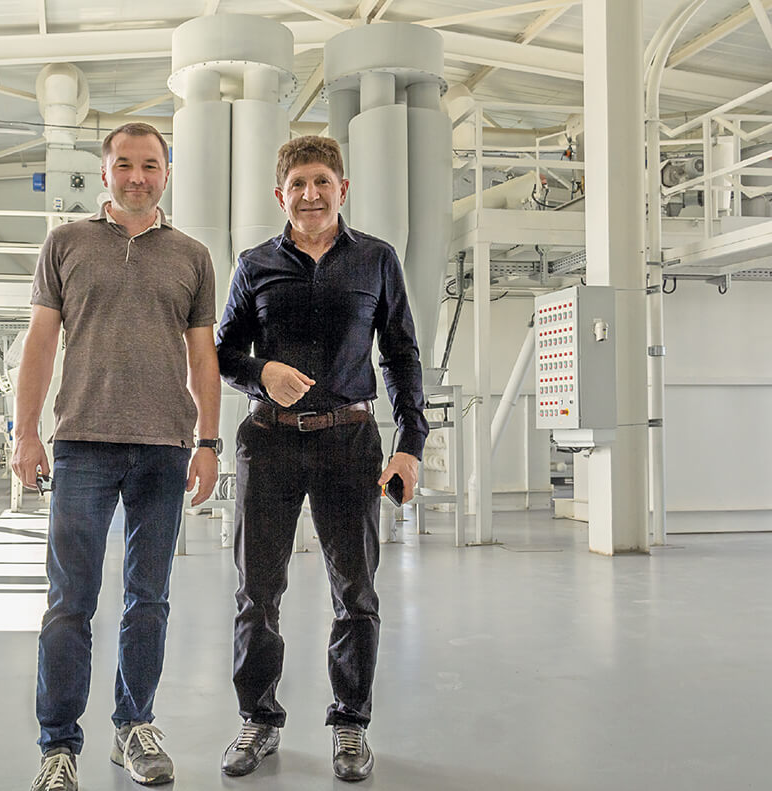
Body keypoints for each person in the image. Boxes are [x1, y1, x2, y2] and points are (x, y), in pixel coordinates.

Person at [12, 122, 221, 791]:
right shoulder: (66, 243)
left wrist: (209, 441)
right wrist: (25, 432)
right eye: (124, 164)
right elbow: (40, 342)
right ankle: (58, 745)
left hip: (165, 448)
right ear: (104, 173)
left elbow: (203, 356)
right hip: (83, 445)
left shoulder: (191, 255)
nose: (137, 176)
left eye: (150, 165)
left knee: (148, 599)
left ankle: (134, 725)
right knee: (70, 601)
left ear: (166, 173)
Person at [214, 135, 429, 782]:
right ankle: (257, 718)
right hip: (268, 441)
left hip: (349, 441)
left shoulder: (376, 260)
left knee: (356, 592)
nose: (311, 194)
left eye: (322, 183)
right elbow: (223, 353)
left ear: (342, 189)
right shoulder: (254, 264)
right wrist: (261, 373)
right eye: (298, 185)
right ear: (280, 195)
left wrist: (410, 445)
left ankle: (350, 723)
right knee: (257, 591)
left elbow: (400, 354)